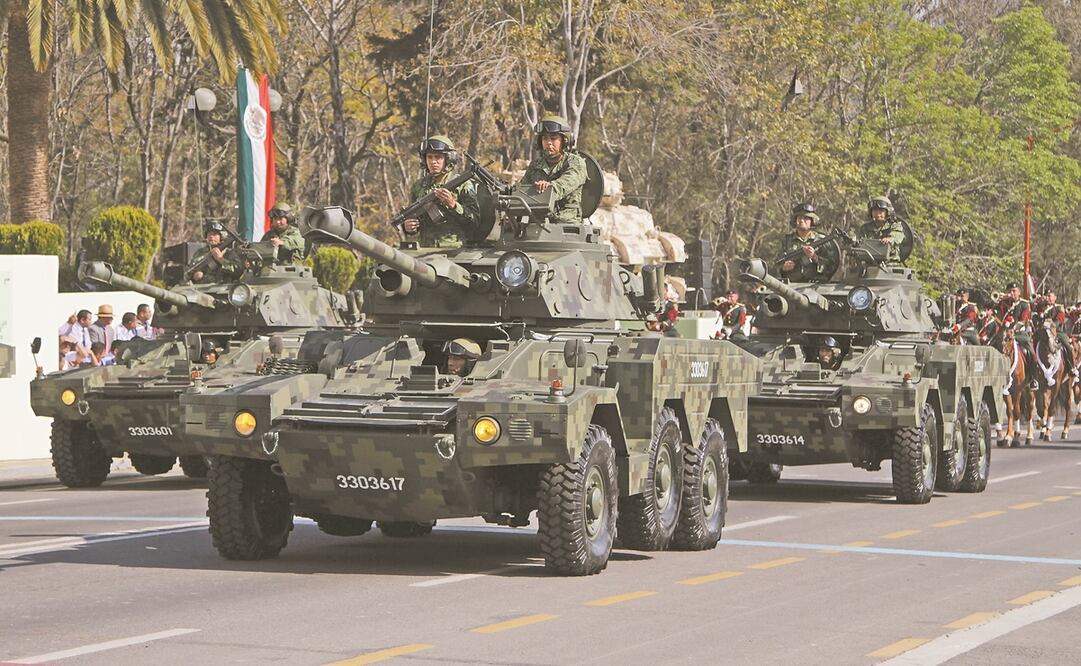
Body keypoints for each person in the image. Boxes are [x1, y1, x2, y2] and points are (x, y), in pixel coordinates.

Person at [400, 135, 481, 246]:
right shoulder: (419, 186)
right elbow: (414, 218)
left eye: (438, 157)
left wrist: (453, 205)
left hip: (453, 251)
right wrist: (408, 227)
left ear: (448, 159)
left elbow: (474, 222)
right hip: (424, 250)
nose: (433, 162)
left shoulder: (462, 185)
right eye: (430, 157)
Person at [517, 115, 588, 224]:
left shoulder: (575, 162)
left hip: (566, 226)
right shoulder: (535, 165)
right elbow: (522, 191)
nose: (548, 142)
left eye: (554, 138)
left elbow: (566, 183)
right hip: (537, 225)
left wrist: (549, 187)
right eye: (545, 138)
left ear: (564, 141)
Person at [776, 203, 838, 282]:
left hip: (815, 286)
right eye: (799, 218)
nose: (802, 220)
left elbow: (831, 266)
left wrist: (814, 257)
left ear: (812, 221)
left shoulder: (821, 241)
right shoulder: (786, 240)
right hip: (791, 285)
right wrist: (783, 267)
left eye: (806, 218)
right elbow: (777, 264)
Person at [997, 282, 1038, 389]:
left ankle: (1033, 378)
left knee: (1032, 353)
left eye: (1014, 291)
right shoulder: (1004, 303)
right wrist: (1000, 300)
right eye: (1010, 291)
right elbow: (997, 314)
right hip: (1005, 334)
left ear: (1019, 292)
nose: (1011, 293)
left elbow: (1023, 320)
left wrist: (1013, 330)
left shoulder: (1024, 304)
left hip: (1020, 334)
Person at [1034, 289, 1077, 378]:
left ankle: (1072, 367)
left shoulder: (1058, 308)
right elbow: (1035, 317)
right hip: (1042, 332)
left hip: (1057, 332)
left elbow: (1059, 320)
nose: (1048, 298)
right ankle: (1033, 368)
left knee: (1067, 346)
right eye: (1046, 296)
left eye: (1050, 296)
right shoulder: (1041, 308)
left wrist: (1050, 326)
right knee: (1032, 344)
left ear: (1055, 298)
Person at [857, 196, 905, 263]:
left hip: (890, 264)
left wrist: (890, 239)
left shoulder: (895, 225)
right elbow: (859, 242)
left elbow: (897, 235)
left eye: (881, 211)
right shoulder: (865, 228)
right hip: (869, 263)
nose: (878, 213)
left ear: (887, 212)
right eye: (875, 210)